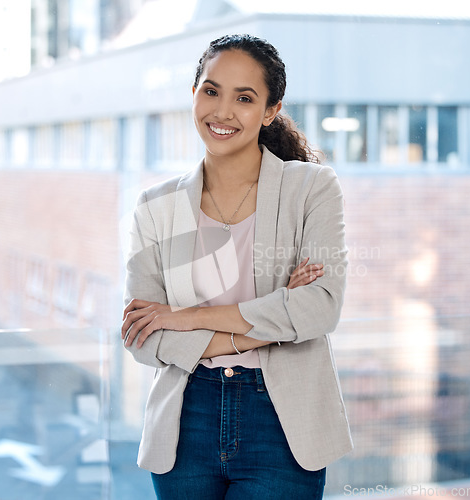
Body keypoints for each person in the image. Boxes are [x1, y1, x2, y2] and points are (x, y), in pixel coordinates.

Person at [121, 34, 352, 500]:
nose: (222, 112)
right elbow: (143, 337)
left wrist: (184, 318)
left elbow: (319, 311)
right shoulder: (155, 207)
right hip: (187, 419)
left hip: (282, 421)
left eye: (244, 98)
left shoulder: (311, 189)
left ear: (270, 110)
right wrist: (276, 317)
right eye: (211, 90)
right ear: (194, 95)